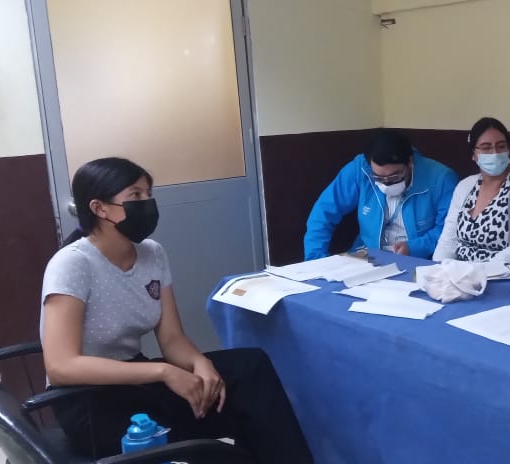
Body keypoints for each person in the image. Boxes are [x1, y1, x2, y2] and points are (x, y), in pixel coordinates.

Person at [40, 158, 312, 461]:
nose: (147, 203)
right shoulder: (72, 263)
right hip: (89, 401)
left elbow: (171, 339)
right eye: (135, 195)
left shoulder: (152, 254)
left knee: (250, 370)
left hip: (138, 380)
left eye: (148, 193)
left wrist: (199, 363)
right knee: (229, 418)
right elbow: (61, 366)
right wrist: (164, 372)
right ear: (99, 208)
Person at [303, 129, 458, 260]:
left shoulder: (441, 179)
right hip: (366, 258)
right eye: (378, 177)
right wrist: (315, 260)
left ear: (410, 162)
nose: (387, 183)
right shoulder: (360, 169)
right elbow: (323, 212)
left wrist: (413, 247)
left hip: (416, 260)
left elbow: (448, 231)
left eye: (395, 176)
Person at [432, 117, 510, 266]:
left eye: (501, 146)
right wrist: (439, 269)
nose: (495, 153)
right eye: (486, 148)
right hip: (457, 272)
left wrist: (480, 272)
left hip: (501, 273)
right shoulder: (464, 186)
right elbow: (447, 241)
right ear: (473, 154)